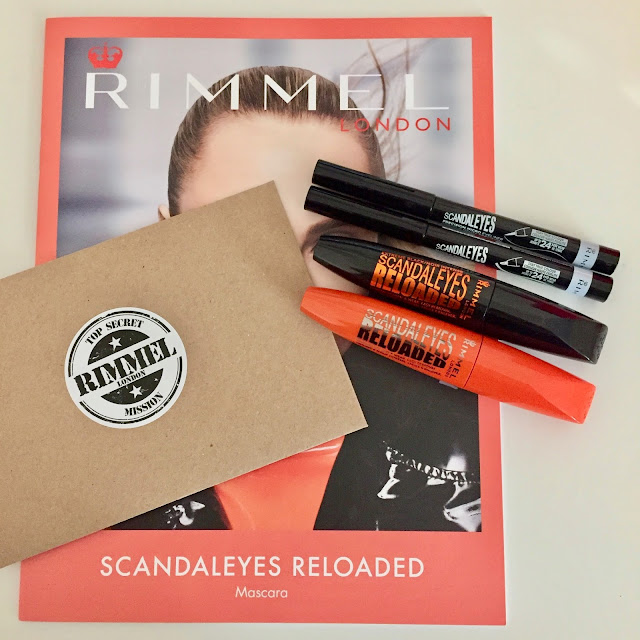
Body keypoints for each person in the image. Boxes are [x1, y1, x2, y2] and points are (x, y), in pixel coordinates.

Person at [114, 65, 481, 533]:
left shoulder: (473, 458)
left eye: (335, 244)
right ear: (165, 243)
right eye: (235, 237)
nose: (292, 294)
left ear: (382, 248)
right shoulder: (79, 452)